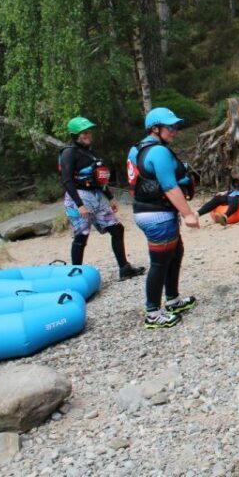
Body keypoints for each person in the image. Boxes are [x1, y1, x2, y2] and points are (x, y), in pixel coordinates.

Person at [127, 108, 199, 329]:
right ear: (155, 128)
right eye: (170, 127)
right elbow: (169, 187)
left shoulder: (136, 149)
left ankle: (173, 300)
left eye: (176, 126)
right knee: (159, 263)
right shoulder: (158, 152)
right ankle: (152, 313)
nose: (174, 130)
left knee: (175, 253)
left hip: (146, 212)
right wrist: (188, 214)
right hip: (157, 216)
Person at [59, 117, 144, 280]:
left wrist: (110, 198)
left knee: (117, 229)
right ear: (75, 135)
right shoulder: (69, 152)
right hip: (78, 197)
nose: (88, 135)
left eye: (89, 132)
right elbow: (67, 180)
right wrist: (80, 205)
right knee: (81, 236)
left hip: (96, 196)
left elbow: (99, 178)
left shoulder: (90, 152)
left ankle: (124, 269)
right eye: (84, 133)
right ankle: (76, 276)